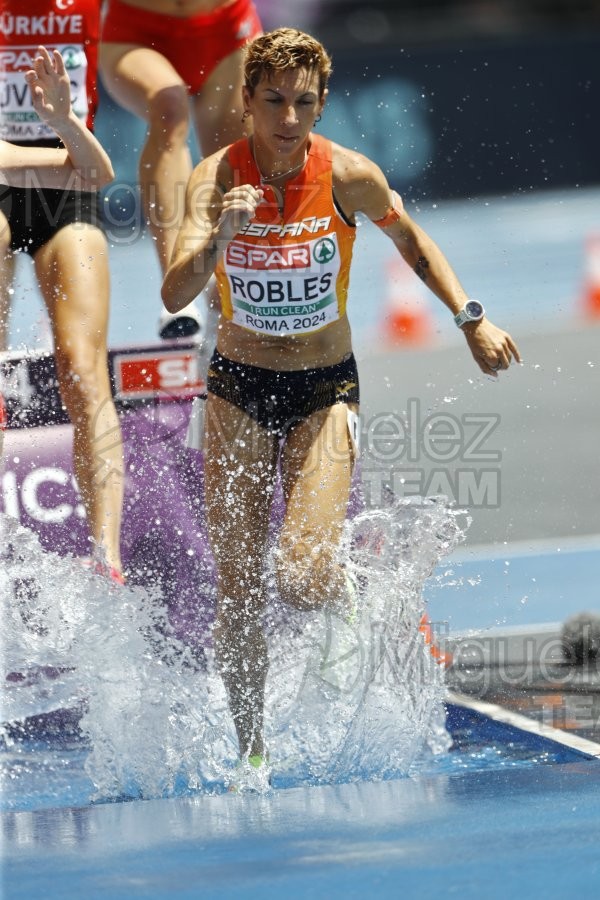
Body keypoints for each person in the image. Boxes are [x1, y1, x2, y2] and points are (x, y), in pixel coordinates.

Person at [162, 28, 521, 769]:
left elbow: (415, 243)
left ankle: (347, 599)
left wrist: (472, 320)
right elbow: (174, 291)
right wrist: (220, 236)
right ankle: (252, 755)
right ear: (248, 102)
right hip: (237, 387)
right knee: (238, 588)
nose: (288, 119)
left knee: (298, 573)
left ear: (321, 104)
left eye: (302, 103)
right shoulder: (212, 180)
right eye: (273, 101)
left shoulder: (350, 176)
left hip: (324, 389)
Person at [0, 3, 125, 584]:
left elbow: (95, 173)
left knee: (82, 366)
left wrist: (63, 117)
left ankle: (107, 558)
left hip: (58, 186)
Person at [99, 0, 263, 340]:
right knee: (169, 106)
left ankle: (226, 318)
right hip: (137, 33)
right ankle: (177, 285)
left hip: (226, 31)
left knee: (235, 165)